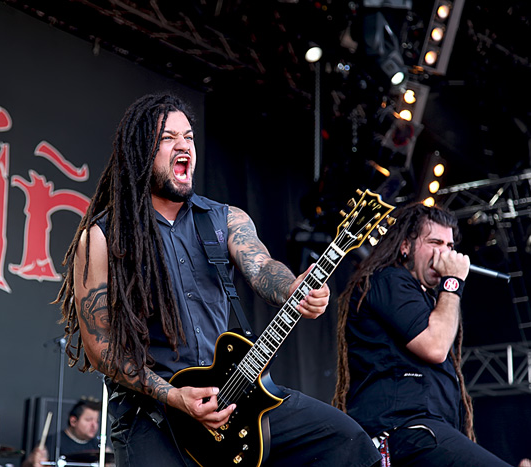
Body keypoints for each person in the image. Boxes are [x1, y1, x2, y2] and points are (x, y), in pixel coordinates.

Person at [54, 93, 381, 466]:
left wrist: (293, 287)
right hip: (153, 412)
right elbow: (101, 349)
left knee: (349, 442)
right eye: (168, 138)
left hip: (232, 395)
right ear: (140, 151)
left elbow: (261, 268)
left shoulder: (224, 219)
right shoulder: (101, 237)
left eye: (189, 137)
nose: (184, 146)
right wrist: (176, 398)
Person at [332, 202, 512, 466]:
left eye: (450, 247)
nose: (444, 253)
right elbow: (435, 346)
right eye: (435, 242)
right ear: (406, 246)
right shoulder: (388, 279)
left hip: (424, 433)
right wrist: (453, 282)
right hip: (405, 431)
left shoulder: (427, 299)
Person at [22, 398, 104, 466]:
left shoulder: (99, 446)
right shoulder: (52, 442)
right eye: (88, 420)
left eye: (97, 421)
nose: (94, 425)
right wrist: (32, 460)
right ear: (73, 421)